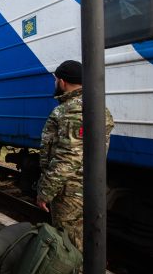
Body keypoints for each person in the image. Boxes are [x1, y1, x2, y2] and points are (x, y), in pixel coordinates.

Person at [36, 60, 114, 252]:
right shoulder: (95, 105)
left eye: (56, 80)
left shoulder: (72, 109)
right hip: (89, 186)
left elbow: (68, 157)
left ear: (62, 82)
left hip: (70, 191)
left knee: (68, 245)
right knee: (82, 240)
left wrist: (45, 191)